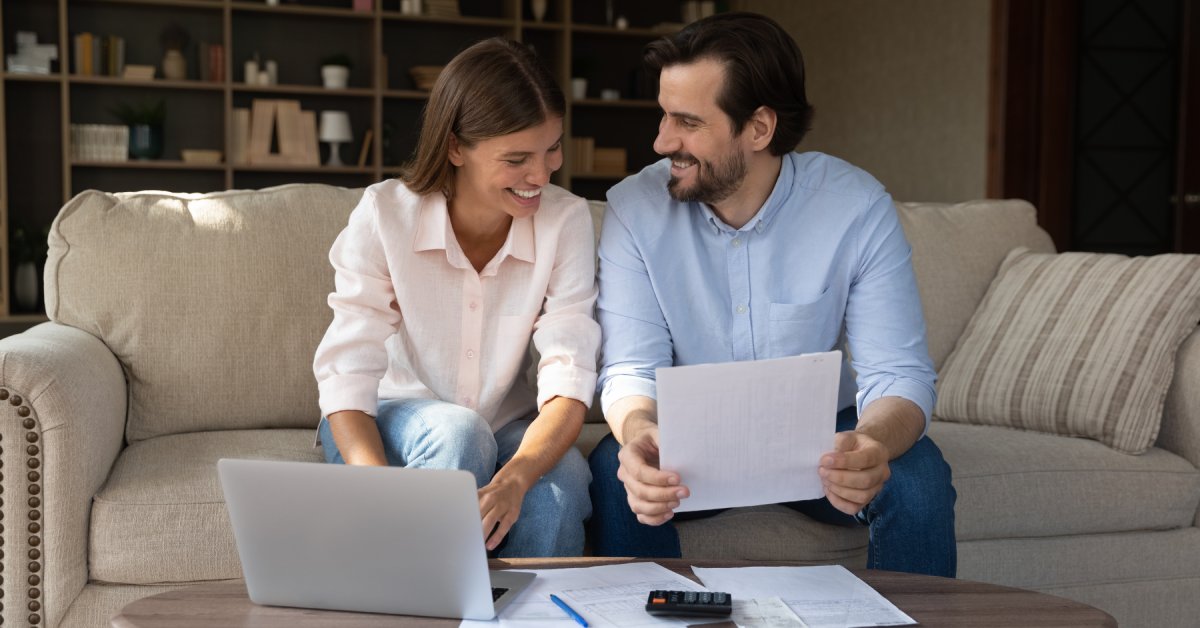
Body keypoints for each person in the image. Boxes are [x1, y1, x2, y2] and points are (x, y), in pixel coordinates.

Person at [587, 12, 957, 576]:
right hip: (689, 443)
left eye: (687, 121)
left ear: (758, 129)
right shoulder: (635, 210)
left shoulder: (855, 208)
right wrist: (640, 432)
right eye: (664, 115)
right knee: (615, 467)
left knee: (921, 477)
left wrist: (874, 443)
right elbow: (632, 367)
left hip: (820, 445)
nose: (662, 141)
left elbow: (899, 374)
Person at [313, 38, 599, 558]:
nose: (541, 175)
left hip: (503, 425)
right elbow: (347, 371)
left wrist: (515, 480)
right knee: (459, 432)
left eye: (552, 148)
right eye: (517, 159)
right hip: (385, 419)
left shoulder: (567, 220)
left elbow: (569, 370)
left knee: (563, 478)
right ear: (455, 147)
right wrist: (376, 492)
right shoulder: (385, 214)